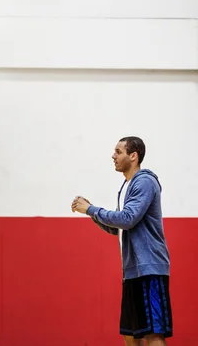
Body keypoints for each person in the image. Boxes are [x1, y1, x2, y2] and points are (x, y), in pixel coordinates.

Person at [71, 136, 172, 346]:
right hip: (133, 271)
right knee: (131, 333)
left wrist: (91, 209)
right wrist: (91, 213)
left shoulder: (144, 182)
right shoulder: (127, 187)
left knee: (153, 333)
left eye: (118, 151)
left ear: (133, 156)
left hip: (149, 269)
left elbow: (127, 219)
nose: (113, 156)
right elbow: (117, 227)